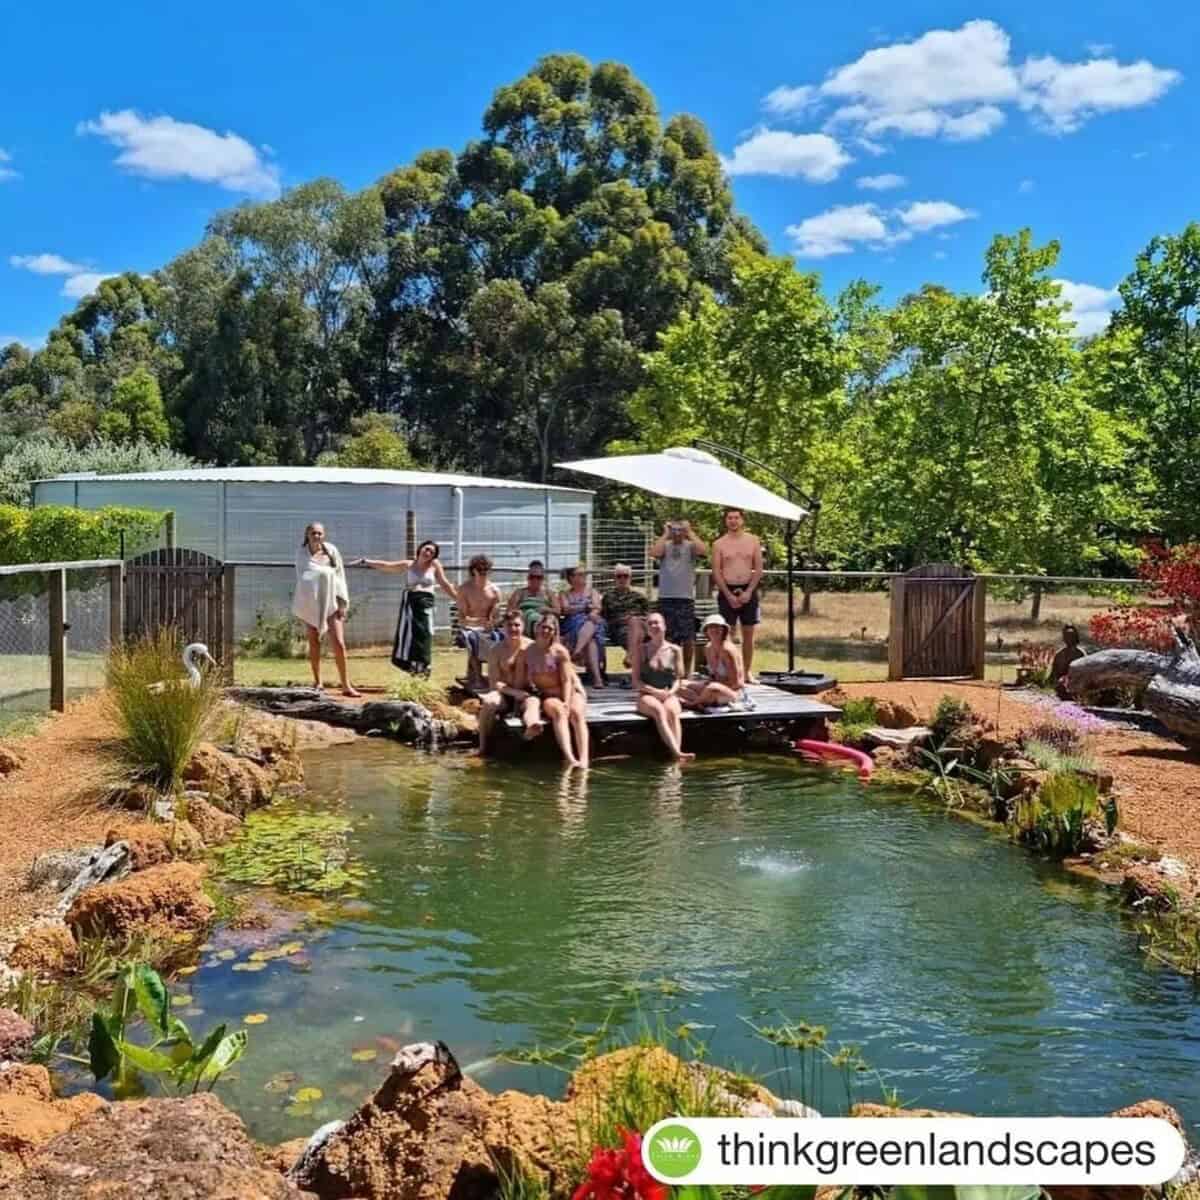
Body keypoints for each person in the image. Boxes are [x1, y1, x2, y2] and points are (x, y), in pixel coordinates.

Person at [355, 540, 457, 677]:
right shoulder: (409, 564)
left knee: (425, 636)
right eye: (427, 549)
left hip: (426, 605)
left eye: (432, 552)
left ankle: (424, 667)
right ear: (420, 549)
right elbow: (387, 566)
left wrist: (458, 599)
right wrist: (366, 561)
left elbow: (444, 583)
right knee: (409, 637)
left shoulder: (435, 565)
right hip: (411, 605)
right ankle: (412, 669)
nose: (428, 553)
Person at [292, 522, 360, 696]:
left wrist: (342, 602)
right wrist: (320, 576)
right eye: (314, 533)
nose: (317, 536)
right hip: (312, 603)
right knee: (314, 642)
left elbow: (339, 576)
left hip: (332, 603)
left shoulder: (331, 551)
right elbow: (303, 578)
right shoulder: (302, 554)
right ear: (307, 534)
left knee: (339, 642)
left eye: (320, 533)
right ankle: (318, 682)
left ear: (324, 535)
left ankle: (345, 684)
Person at [521, 613, 590, 768]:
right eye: (543, 627)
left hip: (569, 692)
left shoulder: (559, 651)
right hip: (549, 695)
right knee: (559, 711)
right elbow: (524, 678)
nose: (546, 631)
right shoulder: (527, 652)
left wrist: (566, 701)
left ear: (554, 632)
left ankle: (584, 758)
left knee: (576, 713)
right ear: (537, 628)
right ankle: (570, 757)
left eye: (550, 629)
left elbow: (567, 680)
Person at [477, 609, 542, 754]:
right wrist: (513, 692)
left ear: (523, 626)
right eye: (509, 625)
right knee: (489, 701)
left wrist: (525, 691)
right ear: (503, 628)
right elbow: (494, 683)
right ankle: (482, 746)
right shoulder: (496, 650)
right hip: (504, 692)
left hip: (527, 692)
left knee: (533, 703)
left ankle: (532, 727)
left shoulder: (532, 647)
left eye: (517, 625)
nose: (513, 629)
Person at [634, 611, 694, 762]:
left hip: (669, 693)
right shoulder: (641, 650)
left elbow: (678, 679)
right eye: (650, 623)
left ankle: (677, 755)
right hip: (646, 694)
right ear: (647, 629)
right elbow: (636, 682)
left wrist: (670, 693)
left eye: (657, 622)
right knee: (659, 711)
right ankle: (677, 753)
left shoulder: (675, 650)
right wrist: (654, 691)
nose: (654, 626)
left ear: (664, 626)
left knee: (672, 712)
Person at [712, 508, 763, 682]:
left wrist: (749, 592)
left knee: (748, 633)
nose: (733, 521)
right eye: (730, 518)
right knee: (727, 634)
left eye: (736, 518)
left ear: (742, 520)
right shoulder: (719, 544)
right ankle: (731, 672)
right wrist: (728, 595)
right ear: (725, 521)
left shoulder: (753, 541)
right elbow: (716, 572)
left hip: (748, 589)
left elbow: (758, 569)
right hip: (727, 590)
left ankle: (747, 672)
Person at [651, 519, 707, 675]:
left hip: (685, 598)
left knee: (688, 638)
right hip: (666, 598)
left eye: (679, 529)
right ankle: (669, 672)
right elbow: (654, 553)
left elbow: (703, 551)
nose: (677, 532)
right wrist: (665, 534)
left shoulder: (690, 547)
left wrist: (690, 532)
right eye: (674, 529)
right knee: (667, 637)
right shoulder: (665, 546)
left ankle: (687, 673)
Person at [454, 553, 503, 689]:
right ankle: (476, 676)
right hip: (469, 627)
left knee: (501, 637)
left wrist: (492, 622)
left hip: (488, 627)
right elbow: (461, 619)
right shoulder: (464, 589)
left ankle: (497, 676)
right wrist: (476, 622)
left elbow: (497, 617)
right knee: (474, 638)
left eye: (486, 570)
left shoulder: (494, 590)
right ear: (473, 570)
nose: (483, 573)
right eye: (480, 570)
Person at [557, 564, 607, 688]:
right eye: (580, 574)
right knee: (591, 640)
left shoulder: (592, 592)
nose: (584, 577)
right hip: (573, 625)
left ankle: (577, 651)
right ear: (571, 578)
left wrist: (592, 613)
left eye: (584, 574)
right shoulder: (564, 594)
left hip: (591, 621)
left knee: (591, 624)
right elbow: (565, 609)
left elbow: (597, 607)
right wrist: (584, 608)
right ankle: (597, 679)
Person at [681, 613, 744, 709]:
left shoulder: (727, 650)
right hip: (715, 687)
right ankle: (702, 700)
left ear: (724, 629)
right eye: (711, 627)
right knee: (680, 683)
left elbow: (736, 683)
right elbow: (714, 676)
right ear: (706, 631)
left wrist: (712, 684)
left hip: (733, 692)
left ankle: (693, 704)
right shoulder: (708, 648)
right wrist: (708, 682)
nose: (714, 630)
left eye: (718, 627)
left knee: (712, 687)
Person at [601, 564, 650, 671]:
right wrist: (621, 620)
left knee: (635, 622)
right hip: (619, 629)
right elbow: (604, 617)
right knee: (638, 635)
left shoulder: (639, 596)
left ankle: (630, 658)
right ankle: (639, 673)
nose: (622, 579)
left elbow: (647, 616)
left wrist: (635, 619)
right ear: (615, 578)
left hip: (640, 625)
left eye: (625, 576)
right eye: (619, 576)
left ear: (630, 578)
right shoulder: (608, 596)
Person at [507, 560, 555, 637]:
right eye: (532, 577)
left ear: (543, 578)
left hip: (543, 620)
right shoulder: (520, 592)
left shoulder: (549, 593)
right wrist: (519, 613)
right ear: (528, 578)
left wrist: (546, 609)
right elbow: (510, 610)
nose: (535, 580)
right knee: (529, 616)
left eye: (538, 577)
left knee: (545, 621)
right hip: (523, 620)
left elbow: (558, 611)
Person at [1052, 624, 1087, 699]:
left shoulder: (1081, 653)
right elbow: (1055, 673)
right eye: (1067, 637)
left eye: (1071, 637)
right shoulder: (1059, 654)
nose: (1069, 639)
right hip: (1063, 683)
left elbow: (1085, 672)